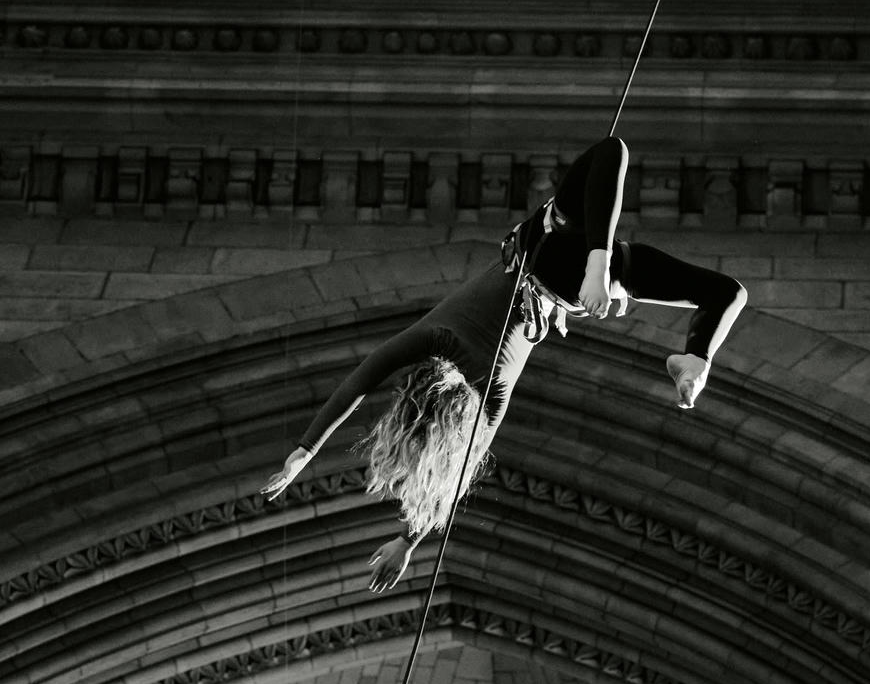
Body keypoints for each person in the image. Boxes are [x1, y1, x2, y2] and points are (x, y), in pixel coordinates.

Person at [262, 138, 746, 591]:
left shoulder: (472, 382)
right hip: (555, 257)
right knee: (612, 155)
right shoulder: (449, 354)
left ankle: (693, 360)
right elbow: (366, 382)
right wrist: (306, 452)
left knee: (728, 293)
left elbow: (441, 471)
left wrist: (404, 537)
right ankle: (678, 343)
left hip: (575, 275)